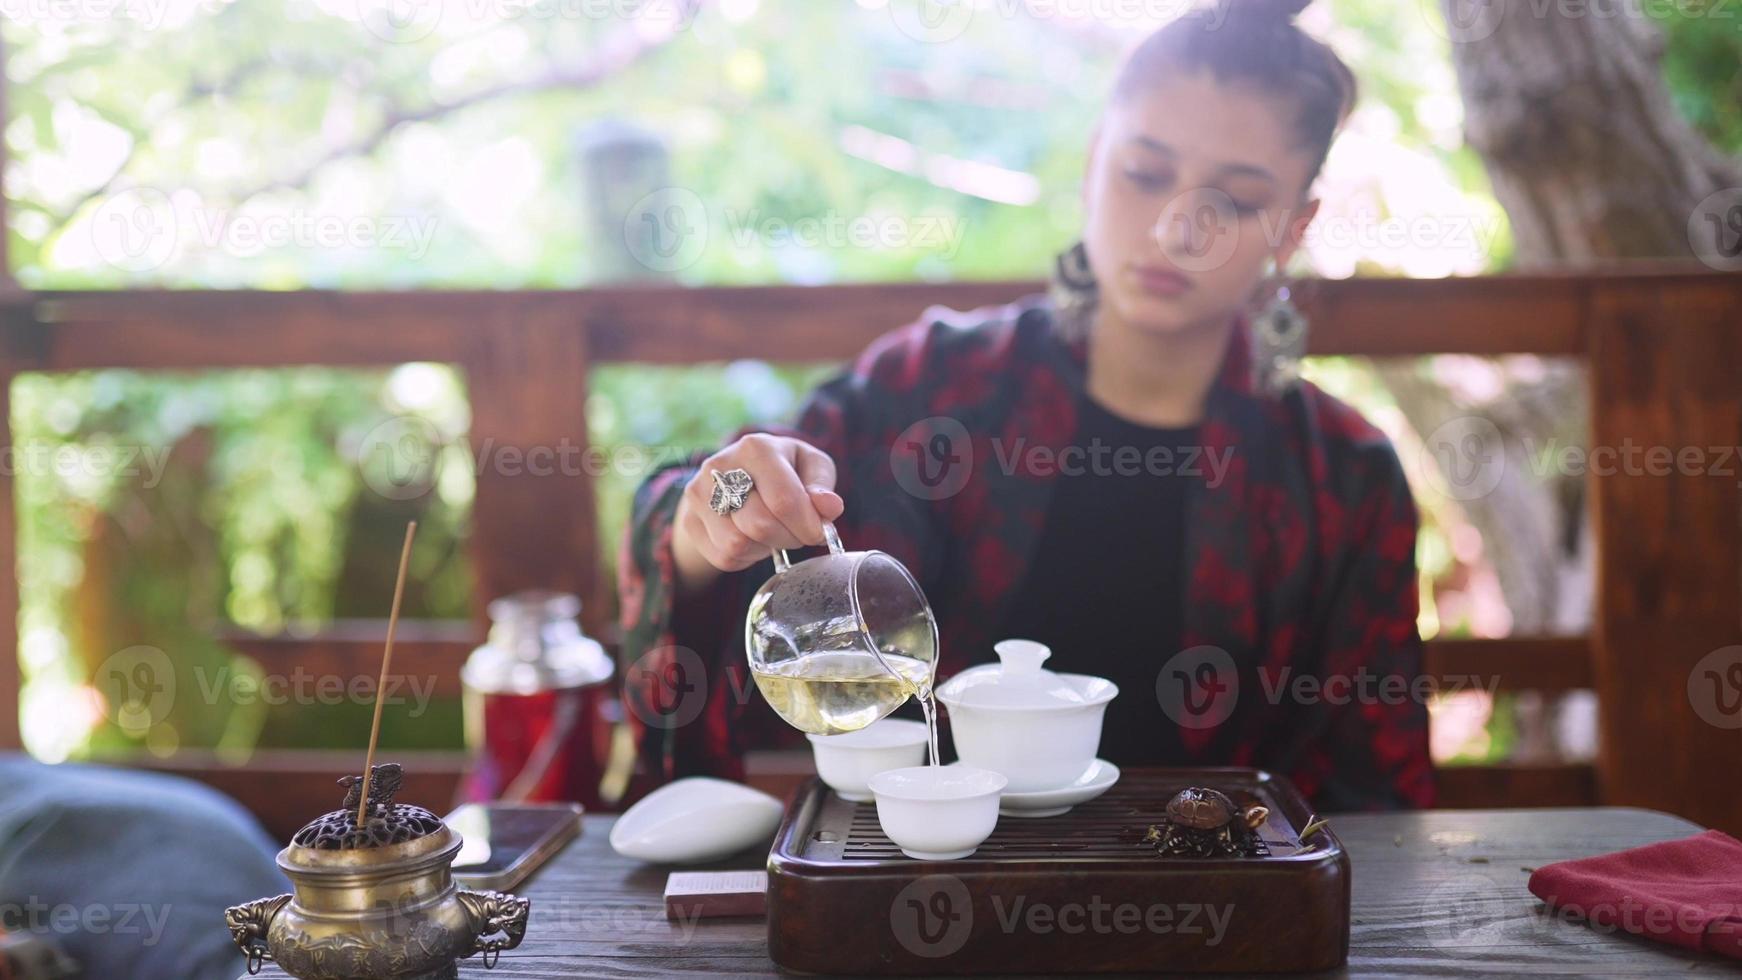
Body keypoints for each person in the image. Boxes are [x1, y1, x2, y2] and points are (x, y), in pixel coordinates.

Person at [618, 0, 1434, 812]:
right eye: (1145, 175)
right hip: (919, 882)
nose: (1180, 228)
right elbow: (691, 506)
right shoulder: (935, 386)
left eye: (1239, 200)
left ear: (1293, 228)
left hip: (1218, 903)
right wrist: (710, 519)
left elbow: (1373, 794)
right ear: (1091, 166)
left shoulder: (1341, 478)